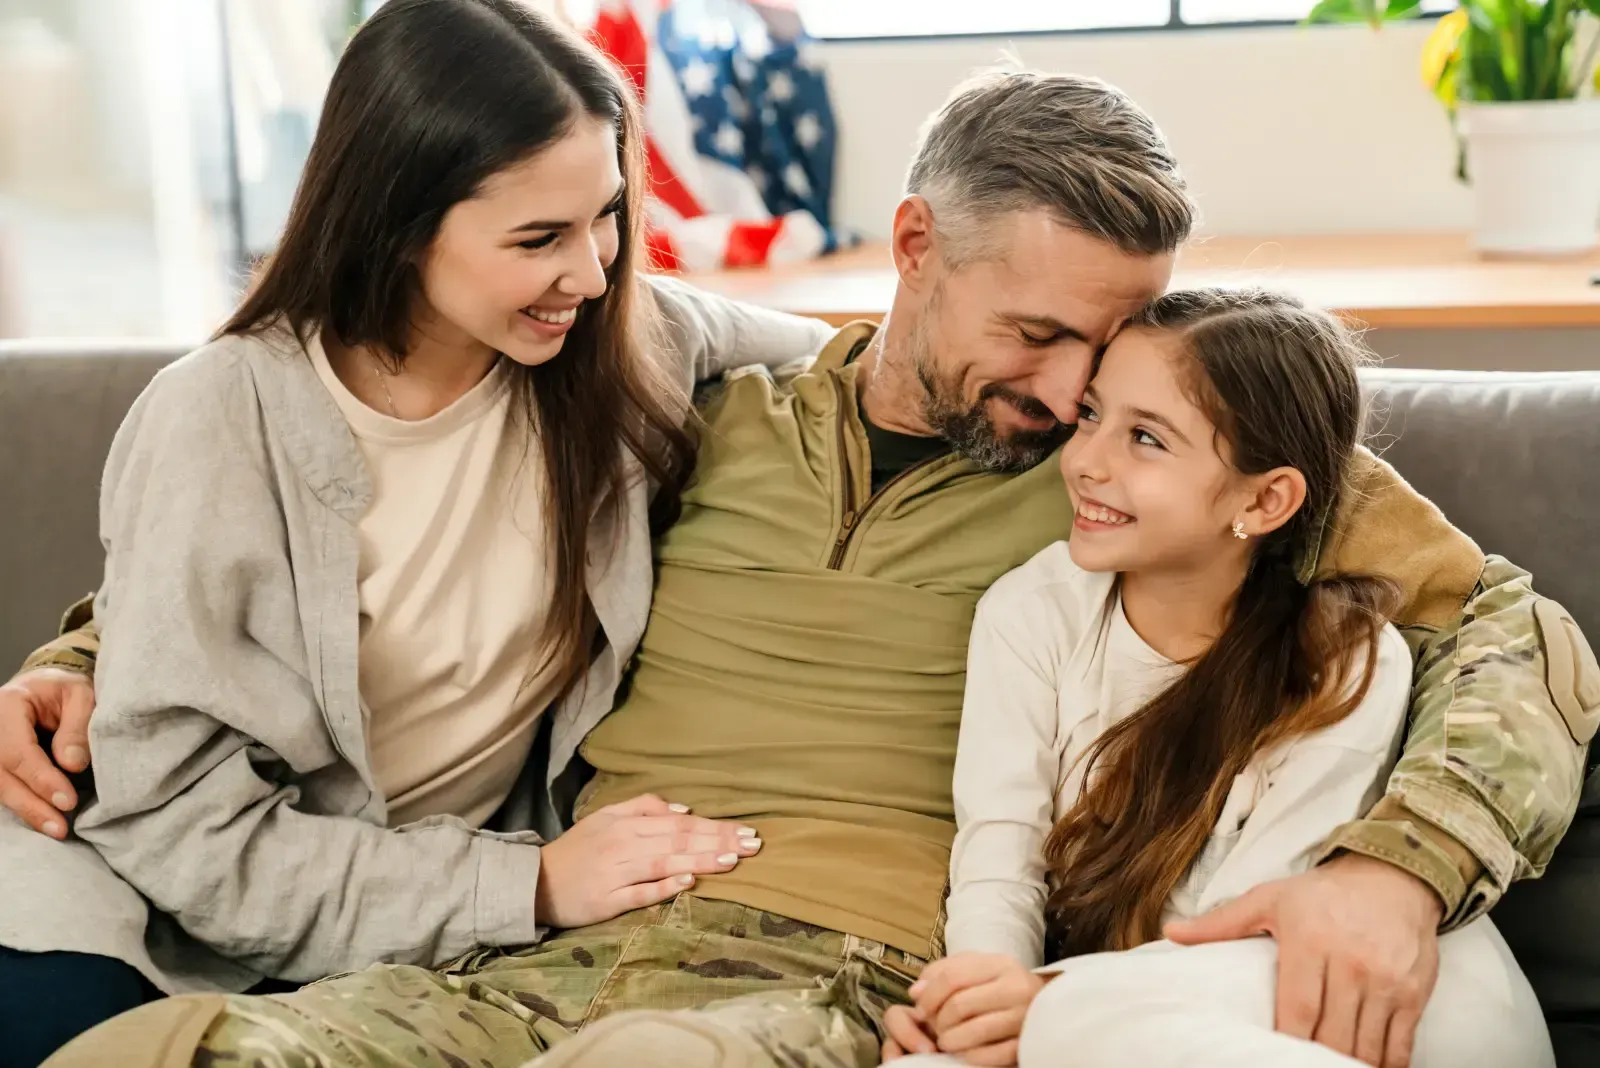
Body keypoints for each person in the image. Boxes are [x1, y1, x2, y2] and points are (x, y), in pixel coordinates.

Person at [6, 67, 1592, 1068]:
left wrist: (1398, 867)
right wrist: (96, 655)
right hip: (537, 937)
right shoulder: (681, 395)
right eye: (1033, 335)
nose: (1069, 396)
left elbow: (1515, 633)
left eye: (1107, 351)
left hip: (831, 972)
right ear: (912, 249)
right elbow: (369, 507)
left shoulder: (1142, 461)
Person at [0, 2, 834, 1064]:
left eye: (606, 216)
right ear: (398, 225)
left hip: (411, 922)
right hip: (138, 890)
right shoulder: (219, 416)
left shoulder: (624, 344)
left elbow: (864, 367)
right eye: (538, 239)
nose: (590, 271)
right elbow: (190, 840)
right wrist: (528, 884)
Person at [880, 289, 1552, 1067]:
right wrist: (978, 992)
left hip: (1376, 1008)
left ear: (1264, 499)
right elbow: (1001, 852)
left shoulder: (1342, 659)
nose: (1088, 461)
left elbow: (1253, 929)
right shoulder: (1030, 613)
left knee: (1057, 1032)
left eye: (1146, 439)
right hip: (1151, 1016)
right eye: (1093, 415)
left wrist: (1039, 1006)